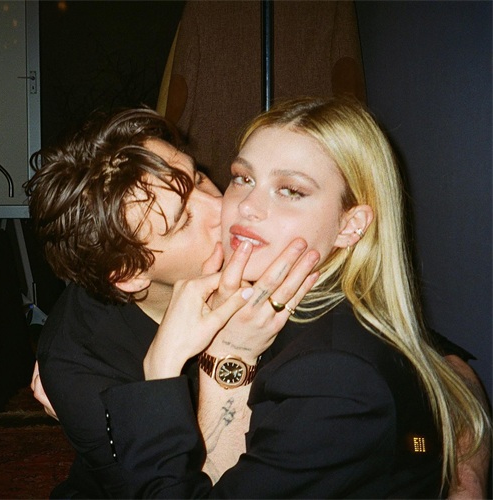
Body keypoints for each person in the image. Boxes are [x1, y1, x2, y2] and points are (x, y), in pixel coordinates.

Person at [96, 98, 490, 498]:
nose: (244, 207)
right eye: (242, 178)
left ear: (350, 225)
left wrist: (160, 369)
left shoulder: (330, 374)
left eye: (290, 190)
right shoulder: (266, 305)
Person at [25, 107, 320, 498]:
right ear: (130, 272)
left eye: (198, 178)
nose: (225, 208)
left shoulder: (265, 246)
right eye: (183, 221)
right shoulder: (81, 370)